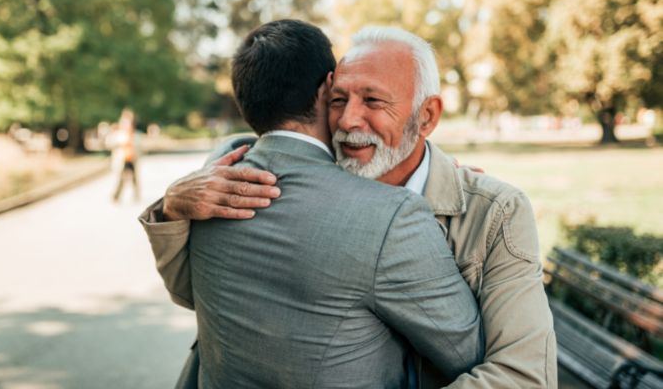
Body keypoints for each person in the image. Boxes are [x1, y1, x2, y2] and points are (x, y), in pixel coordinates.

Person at [142, 24, 558, 388]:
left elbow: (522, 376)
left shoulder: (494, 211)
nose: (348, 121)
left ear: (427, 117)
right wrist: (173, 206)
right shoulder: (241, 177)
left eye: (373, 102)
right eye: (339, 100)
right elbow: (198, 290)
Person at [110, 108, 140, 202]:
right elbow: (113, 143)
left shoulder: (133, 134)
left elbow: (136, 145)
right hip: (123, 158)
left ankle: (136, 193)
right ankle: (116, 195)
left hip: (131, 157)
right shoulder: (120, 134)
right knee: (121, 177)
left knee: (134, 177)